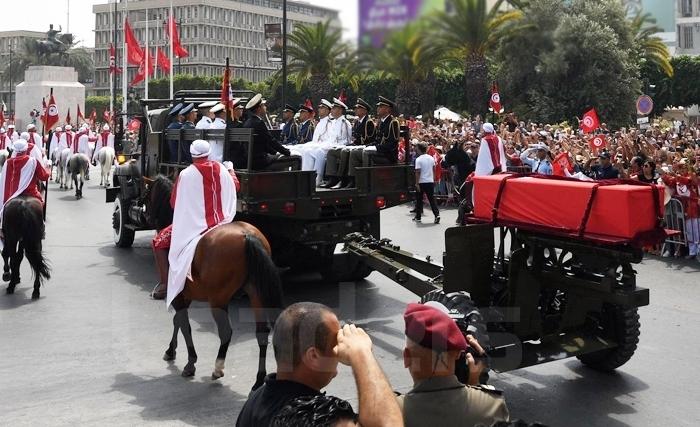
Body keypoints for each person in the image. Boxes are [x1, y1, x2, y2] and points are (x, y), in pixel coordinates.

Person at [236, 302, 403, 427]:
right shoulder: (315, 415)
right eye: (336, 344)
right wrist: (361, 353)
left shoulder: (256, 400)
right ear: (313, 356)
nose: (341, 350)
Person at [150, 140, 239, 304]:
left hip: (196, 227)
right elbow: (236, 186)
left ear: (192, 155)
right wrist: (231, 169)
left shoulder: (185, 174)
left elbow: (174, 202)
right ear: (209, 153)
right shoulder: (222, 169)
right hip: (224, 221)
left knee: (158, 241)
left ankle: (165, 284)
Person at [398, 302, 509, 427]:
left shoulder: (392, 412)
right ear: (457, 355)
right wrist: (475, 382)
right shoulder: (493, 404)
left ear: (406, 357)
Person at [0, 138, 51, 243]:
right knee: (41, 204)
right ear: (25, 149)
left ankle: (2, 229)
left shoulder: (8, 162)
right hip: (31, 193)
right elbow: (44, 177)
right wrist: (48, 168)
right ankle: (41, 228)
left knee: (5, 211)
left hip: (11, 195)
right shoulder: (33, 161)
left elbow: (4, 181)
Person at [346, 96, 399, 189]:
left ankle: (367, 181)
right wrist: (366, 146)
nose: (378, 108)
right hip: (380, 152)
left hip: (387, 155)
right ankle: (353, 179)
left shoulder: (393, 122)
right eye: (378, 106)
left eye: (381, 106)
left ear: (388, 109)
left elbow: (392, 144)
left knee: (366, 153)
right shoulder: (381, 122)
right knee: (354, 153)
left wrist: (376, 148)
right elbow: (376, 140)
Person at [324, 98, 375, 189]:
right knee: (332, 152)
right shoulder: (357, 122)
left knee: (345, 151)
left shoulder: (368, 122)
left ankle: (344, 179)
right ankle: (331, 177)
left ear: (364, 110)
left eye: (358, 108)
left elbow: (368, 139)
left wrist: (353, 144)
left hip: (363, 147)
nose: (355, 110)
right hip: (354, 146)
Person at [242, 94, 300, 171]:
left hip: (251, 161)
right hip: (261, 162)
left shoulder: (247, 122)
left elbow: (263, 143)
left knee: (280, 156)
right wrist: (286, 152)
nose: (265, 107)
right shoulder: (259, 123)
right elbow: (271, 140)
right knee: (297, 159)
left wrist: (275, 152)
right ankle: (295, 182)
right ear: (259, 108)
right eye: (263, 105)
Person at [317, 98, 352, 187]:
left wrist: (335, 146)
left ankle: (328, 178)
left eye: (333, 108)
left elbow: (348, 140)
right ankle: (317, 177)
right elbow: (331, 139)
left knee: (322, 151)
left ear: (340, 110)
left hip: (341, 147)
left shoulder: (345, 123)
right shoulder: (334, 122)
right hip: (331, 145)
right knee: (315, 149)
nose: (331, 110)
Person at [413, 143, 440, 224]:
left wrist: (417, 183)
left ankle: (418, 217)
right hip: (430, 181)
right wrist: (434, 179)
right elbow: (434, 169)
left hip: (421, 182)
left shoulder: (418, 159)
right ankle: (437, 215)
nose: (415, 149)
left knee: (419, 200)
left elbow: (418, 172)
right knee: (432, 199)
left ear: (419, 149)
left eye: (417, 148)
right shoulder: (431, 158)